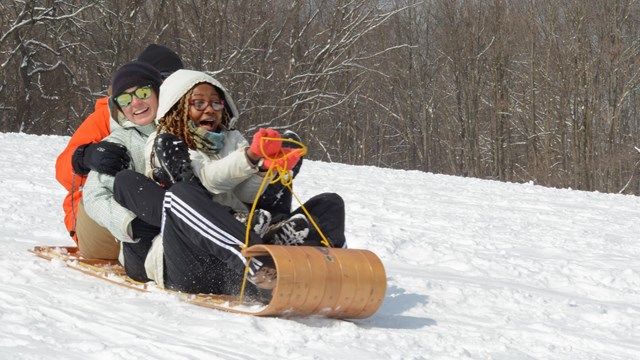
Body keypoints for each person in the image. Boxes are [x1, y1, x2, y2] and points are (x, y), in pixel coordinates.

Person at [109, 70, 346, 295]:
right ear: (177, 107)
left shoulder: (232, 139)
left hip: (236, 270)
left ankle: (319, 266)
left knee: (330, 204)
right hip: (192, 262)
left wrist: (265, 169)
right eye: (198, 103)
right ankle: (255, 257)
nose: (209, 110)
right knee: (179, 194)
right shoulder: (163, 142)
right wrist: (249, 158)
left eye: (216, 103)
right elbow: (207, 181)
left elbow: (247, 193)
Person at [54, 44, 183, 259]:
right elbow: (63, 172)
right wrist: (85, 157)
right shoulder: (110, 116)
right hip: (97, 221)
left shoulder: (180, 116)